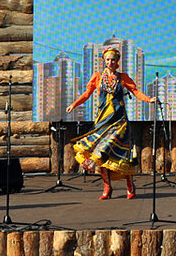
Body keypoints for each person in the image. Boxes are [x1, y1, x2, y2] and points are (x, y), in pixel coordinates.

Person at [66, 46, 157, 200]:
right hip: (102, 121)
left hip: (119, 121)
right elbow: (87, 94)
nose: (110, 62)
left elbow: (135, 91)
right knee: (101, 154)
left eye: (113, 60)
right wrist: (74, 104)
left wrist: (149, 99)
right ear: (104, 61)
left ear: (117, 62)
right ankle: (107, 187)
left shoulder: (123, 77)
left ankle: (130, 184)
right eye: (108, 60)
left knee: (121, 154)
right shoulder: (97, 77)